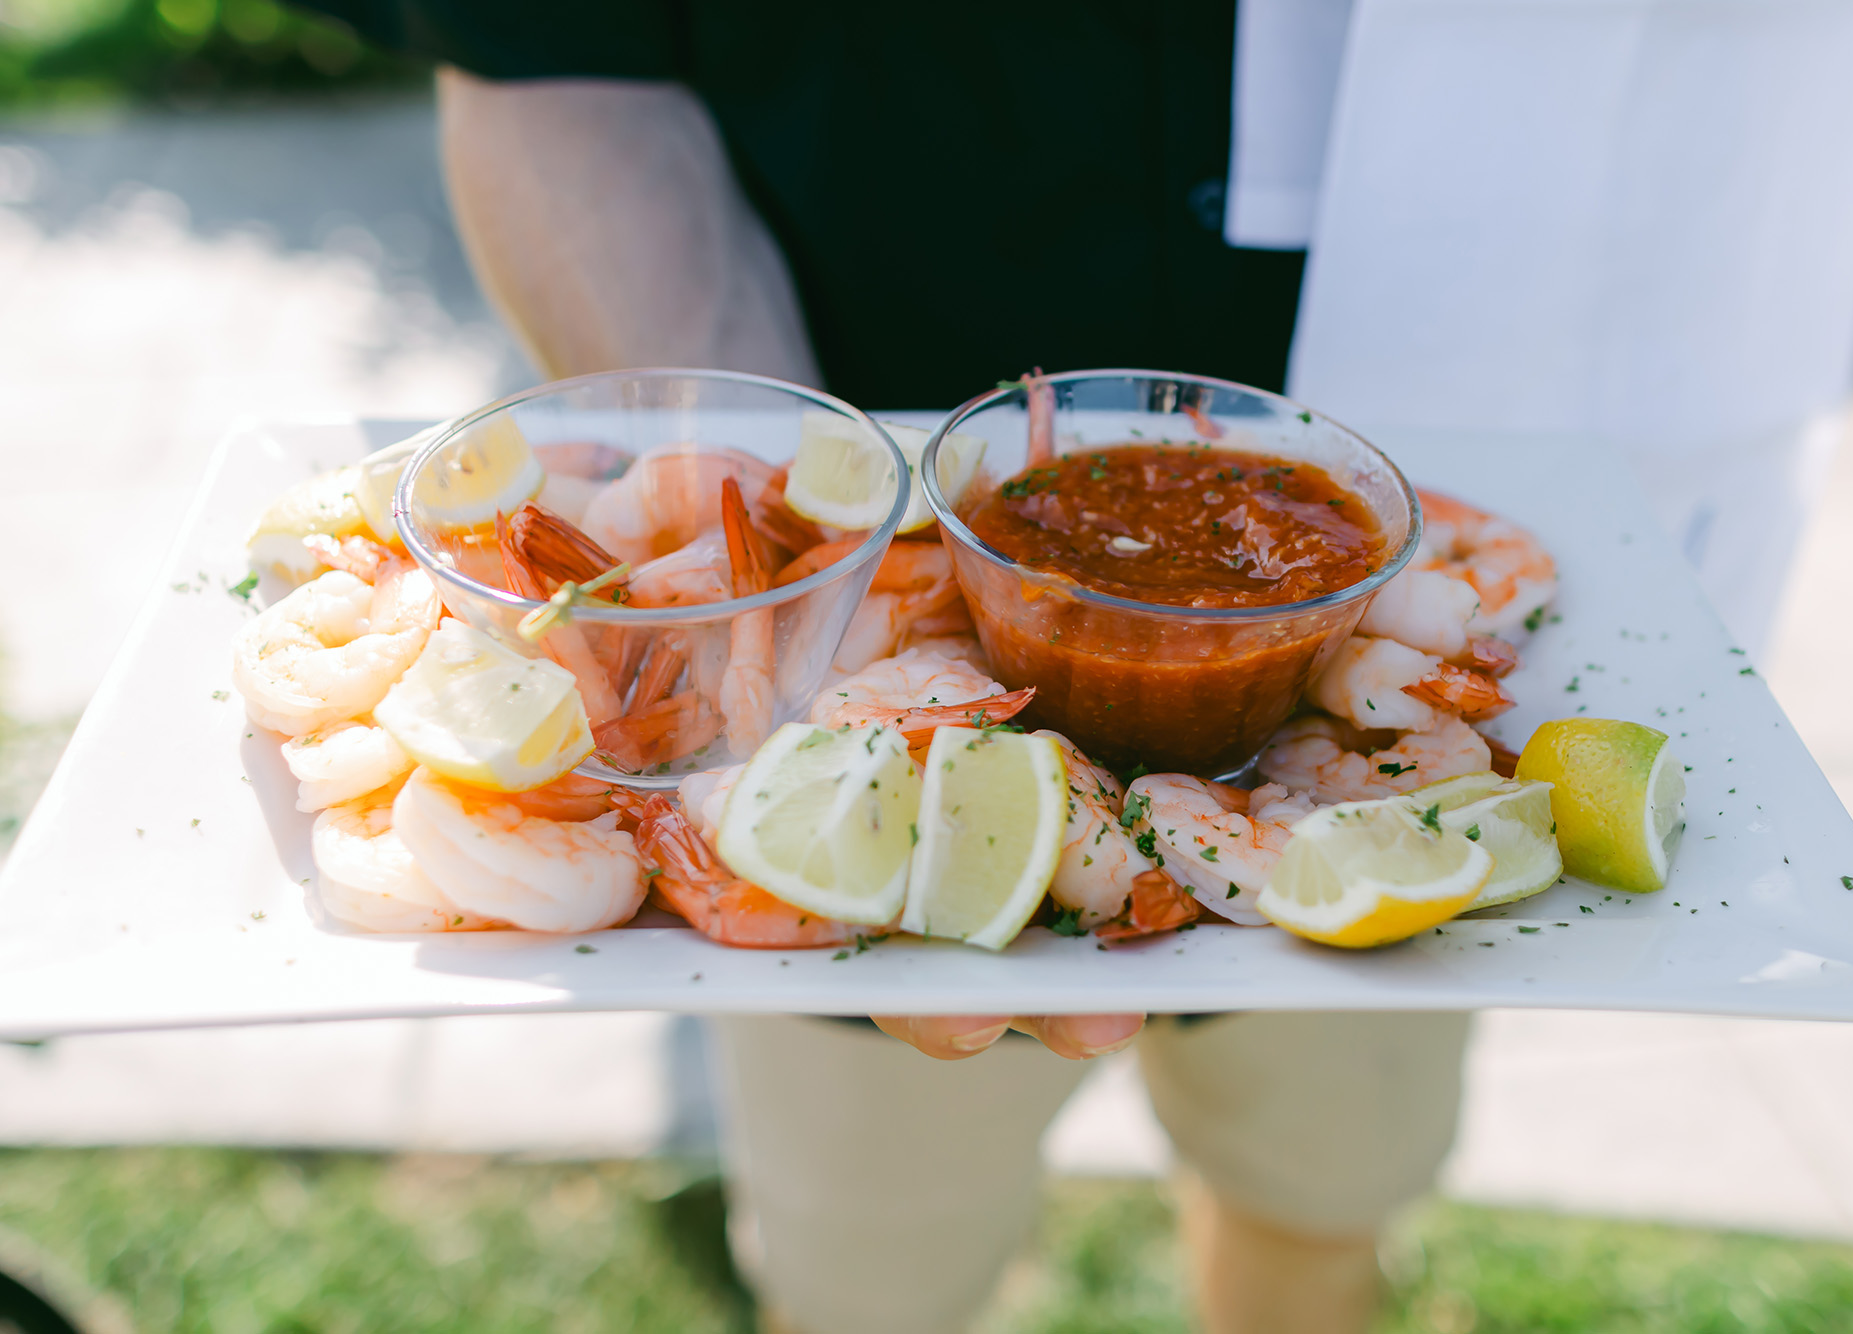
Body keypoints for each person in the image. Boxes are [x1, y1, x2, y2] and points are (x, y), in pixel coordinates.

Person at [294, 6, 1478, 1331]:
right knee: (868, 1296)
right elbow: (542, 44)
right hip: (845, 693)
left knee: (1318, 1224)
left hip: (1357, 741)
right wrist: (767, 531)